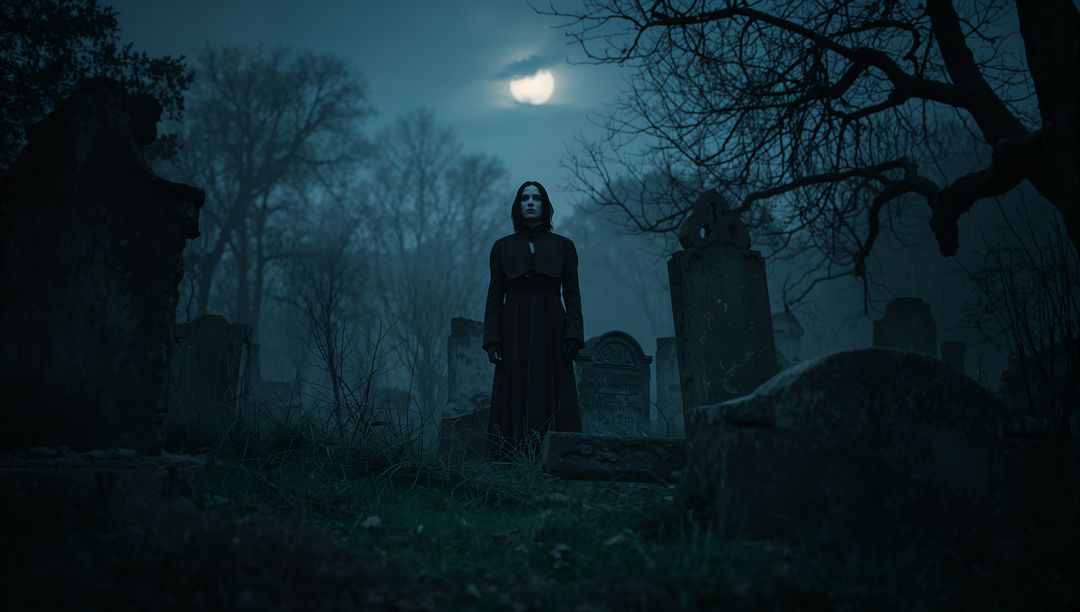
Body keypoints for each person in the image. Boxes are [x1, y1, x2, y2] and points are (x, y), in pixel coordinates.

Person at [482, 180, 584, 460]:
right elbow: (495, 296)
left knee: (554, 387)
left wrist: (574, 333)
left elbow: (572, 293)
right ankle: (510, 459)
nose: (530, 203)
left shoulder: (564, 246)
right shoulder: (502, 247)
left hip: (552, 325)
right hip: (513, 328)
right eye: (525, 198)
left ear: (544, 205)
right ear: (518, 205)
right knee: (512, 388)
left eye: (536, 198)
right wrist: (492, 339)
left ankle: (559, 459)